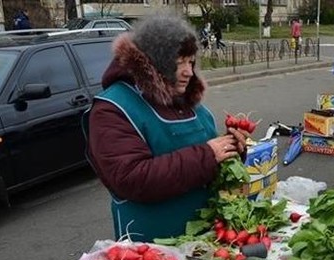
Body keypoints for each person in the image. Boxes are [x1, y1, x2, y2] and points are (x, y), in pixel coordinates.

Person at [82, 15, 248, 242]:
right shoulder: (112, 108)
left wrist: (231, 150)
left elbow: (210, 163)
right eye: (179, 62)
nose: (189, 71)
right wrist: (208, 155)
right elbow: (132, 179)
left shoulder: (191, 105)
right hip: (149, 248)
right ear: (154, 61)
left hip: (206, 238)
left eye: (190, 61)